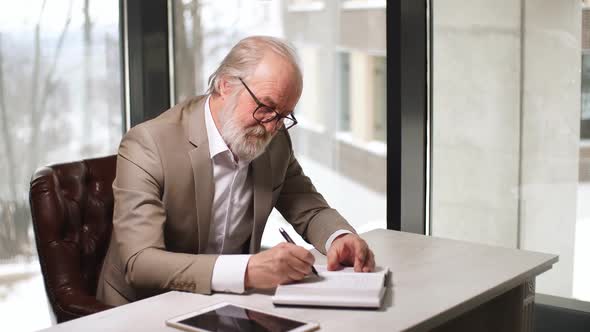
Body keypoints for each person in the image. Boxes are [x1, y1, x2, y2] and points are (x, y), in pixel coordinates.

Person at [97, 36, 375, 306]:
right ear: (225, 85)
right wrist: (248, 271)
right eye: (265, 108)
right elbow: (141, 262)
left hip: (229, 301)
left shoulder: (275, 141)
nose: (271, 127)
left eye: (283, 116)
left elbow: (309, 208)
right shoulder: (149, 143)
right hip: (145, 306)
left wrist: (340, 237)